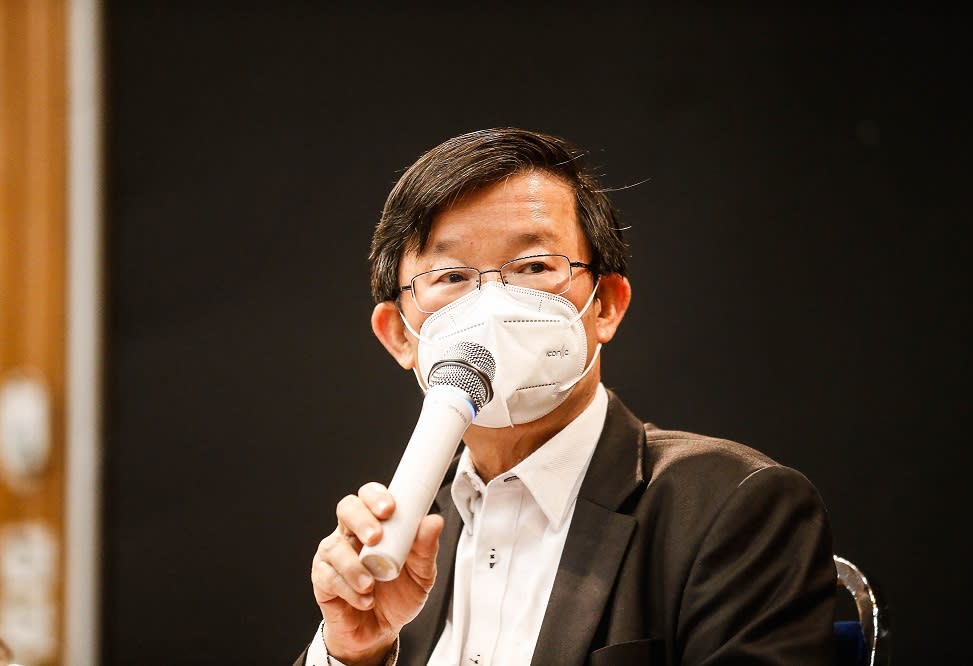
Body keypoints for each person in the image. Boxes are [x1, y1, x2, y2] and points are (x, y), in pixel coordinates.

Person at [294, 128, 836, 666]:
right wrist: (354, 655)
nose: (493, 306)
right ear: (398, 334)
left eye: (534, 267)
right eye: (451, 275)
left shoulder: (732, 508)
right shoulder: (404, 537)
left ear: (606, 306)